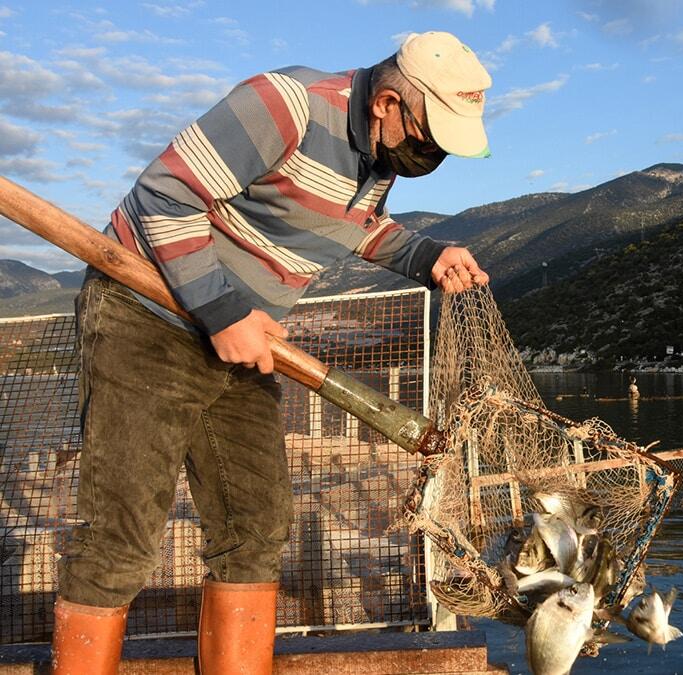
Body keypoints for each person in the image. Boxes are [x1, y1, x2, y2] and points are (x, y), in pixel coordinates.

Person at [51, 31, 491, 674]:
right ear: (387, 104)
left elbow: (352, 224)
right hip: (147, 322)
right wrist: (222, 311)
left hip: (245, 340)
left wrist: (429, 256)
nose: (432, 154)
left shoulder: (377, 157)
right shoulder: (286, 104)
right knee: (122, 535)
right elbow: (163, 195)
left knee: (256, 525)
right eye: (430, 138)